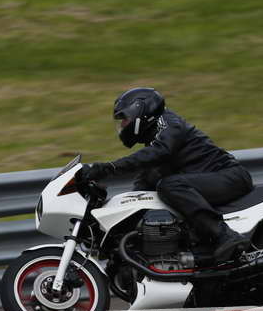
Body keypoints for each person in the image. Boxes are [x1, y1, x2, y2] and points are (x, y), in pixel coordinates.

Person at [75, 87, 253, 262]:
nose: (122, 125)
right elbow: (140, 190)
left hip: (230, 176)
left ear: (140, 112)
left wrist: (109, 168)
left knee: (170, 185)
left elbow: (158, 152)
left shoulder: (169, 123)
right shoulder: (154, 144)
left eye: (125, 119)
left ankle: (225, 235)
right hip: (213, 180)